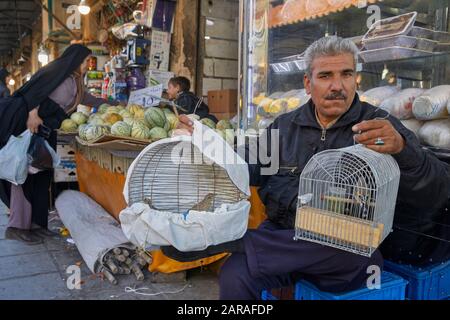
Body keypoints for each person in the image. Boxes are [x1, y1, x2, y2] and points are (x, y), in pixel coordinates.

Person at [174, 36, 450, 299]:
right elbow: (245, 163)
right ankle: (250, 246)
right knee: (235, 274)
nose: (337, 86)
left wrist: (404, 149)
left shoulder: (378, 125)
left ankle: (238, 242)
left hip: (344, 248)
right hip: (284, 234)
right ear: (308, 83)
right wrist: (202, 142)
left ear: (356, 79)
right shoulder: (285, 126)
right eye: (325, 76)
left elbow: (437, 191)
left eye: (346, 74)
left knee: (358, 256)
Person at [0, 44, 120, 244]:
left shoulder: (75, 81)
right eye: (85, 61)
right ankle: (17, 226)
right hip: (32, 128)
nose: (87, 65)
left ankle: (38, 224)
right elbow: (34, 93)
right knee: (25, 175)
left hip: (48, 131)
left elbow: (88, 99)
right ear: (75, 60)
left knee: (43, 177)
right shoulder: (56, 73)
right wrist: (32, 114)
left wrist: (117, 105)